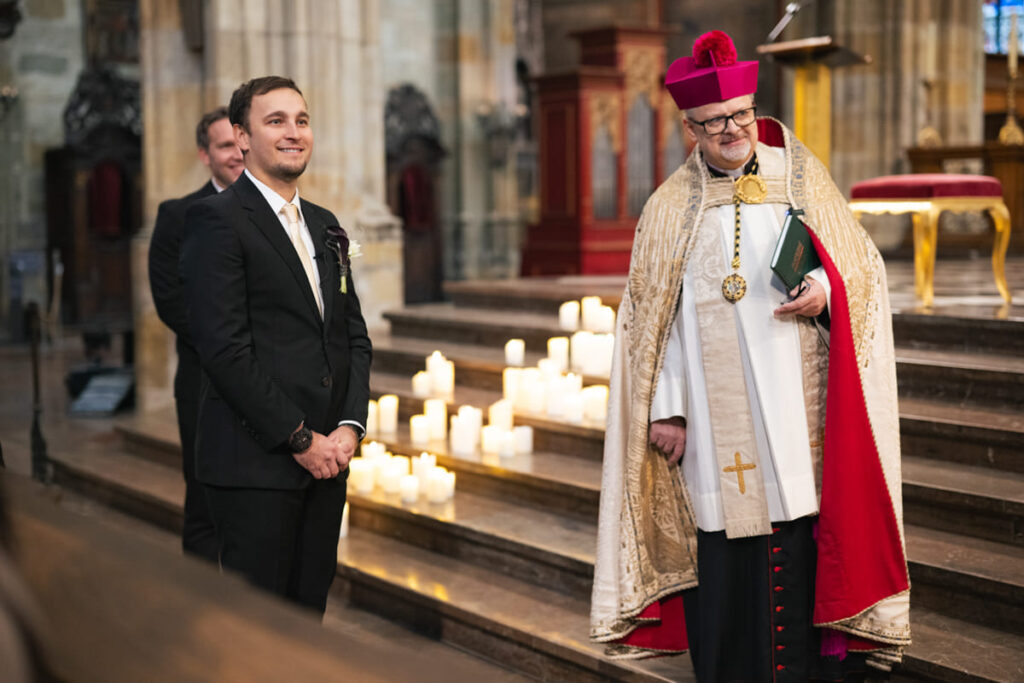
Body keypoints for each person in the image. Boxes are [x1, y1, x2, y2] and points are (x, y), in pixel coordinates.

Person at [590, 31, 910, 680]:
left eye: (739, 115)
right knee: (726, 557)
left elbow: (862, 268)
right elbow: (656, 322)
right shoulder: (668, 208)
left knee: (798, 534)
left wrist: (824, 290)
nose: (731, 130)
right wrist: (668, 406)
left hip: (799, 412)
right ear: (689, 127)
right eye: (713, 123)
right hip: (711, 424)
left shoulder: (799, 177)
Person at [181, 76, 371, 613]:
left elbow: (353, 335)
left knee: (308, 615)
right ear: (241, 138)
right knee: (257, 633)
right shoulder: (215, 220)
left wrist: (349, 427)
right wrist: (300, 439)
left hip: (329, 460)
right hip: (255, 465)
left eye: (302, 120)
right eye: (276, 121)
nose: (294, 133)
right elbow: (224, 351)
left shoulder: (326, 224)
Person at [149, 106, 244, 562]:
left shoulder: (282, 211)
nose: (236, 153)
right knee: (204, 496)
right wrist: (231, 343)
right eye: (224, 145)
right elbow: (169, 300)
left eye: (238, 142)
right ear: (204, 154)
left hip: (270, 382)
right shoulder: (177, 216)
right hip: (205, 381)